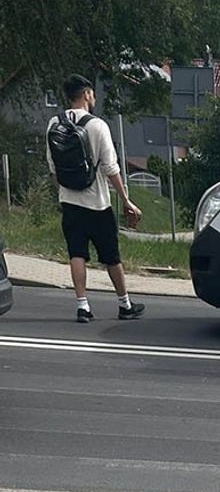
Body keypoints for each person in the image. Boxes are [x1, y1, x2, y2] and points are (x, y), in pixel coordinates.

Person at [46, 74, 146, 323]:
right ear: (87, 94)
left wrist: (65, 191)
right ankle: (124, 304)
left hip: (69, 202)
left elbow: (53, 167)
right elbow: (111, 169)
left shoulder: (53, 124)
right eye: (92, 93)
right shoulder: (97, 125)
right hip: (98, 203)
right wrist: (126, 200)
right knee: (111, 256)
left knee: (76, 253)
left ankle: (83, 306)